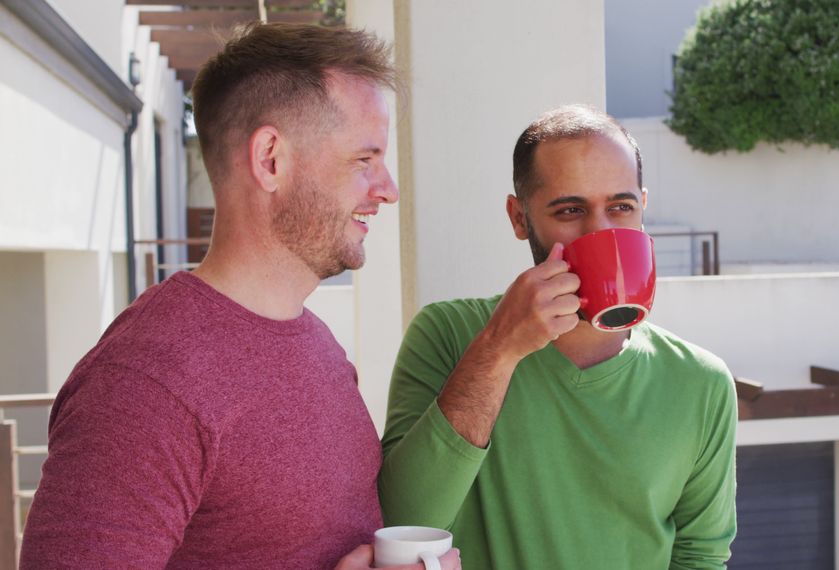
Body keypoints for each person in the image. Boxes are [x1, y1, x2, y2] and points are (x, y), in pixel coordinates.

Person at [19, 23, 458, 570]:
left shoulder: (317, 343)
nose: (388, 188)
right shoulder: (144, 385)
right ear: (271, 158)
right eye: (363, 159)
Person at [379, 104, 738, 569]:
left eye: (620, 208)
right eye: (570, 210)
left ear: (642, 208)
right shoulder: (448, 335)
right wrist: (499, 350)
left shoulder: (700, 382)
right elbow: (404, 519)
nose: (600, 231)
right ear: (519, 218)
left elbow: (701, 557)